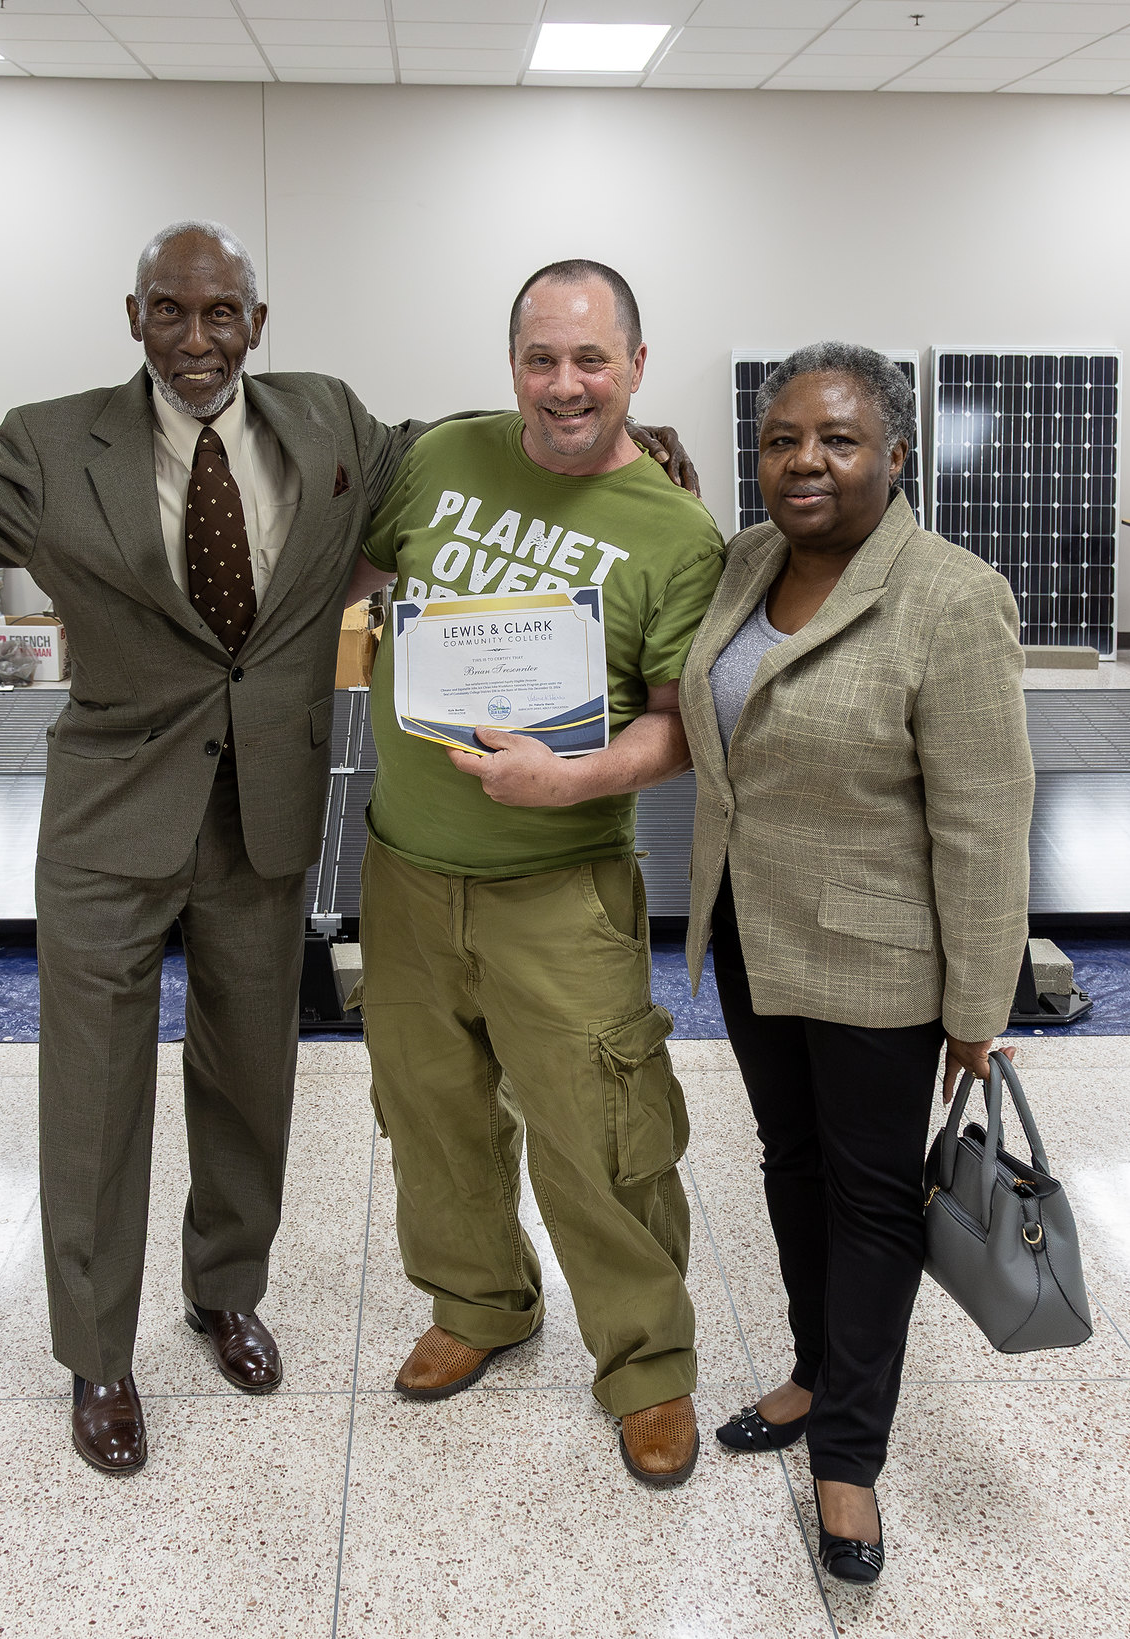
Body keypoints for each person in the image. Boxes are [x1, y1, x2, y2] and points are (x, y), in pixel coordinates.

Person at [0, 222, 699, 1479]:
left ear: (257, 319)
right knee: (103, 1093)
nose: (196, 338)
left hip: (276, 821)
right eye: (170, 313)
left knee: (257, 1080)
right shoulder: (54, 442)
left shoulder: (329, 422)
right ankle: (102, 1357)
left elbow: (505, 459)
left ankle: (229, 1293)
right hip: (122, 822)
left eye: (220, 313)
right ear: (133, 318)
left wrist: (629, 440)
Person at [345, 260, 724, 1490]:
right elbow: (344, 586)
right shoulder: (440, 459)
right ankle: (478, 1304)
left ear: (635, 366)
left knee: (601, 1133)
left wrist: (565, 782)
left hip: (560, 885)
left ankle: (646, 1364)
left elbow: (679, 724)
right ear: (510, 362)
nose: (565, 386)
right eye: (540, 359)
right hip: (403, 873)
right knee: (429, 1114)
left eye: (590, 360)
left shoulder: (674, 533)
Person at [677, 343, 1034, 1583]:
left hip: (883, 955)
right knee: (790, 1163)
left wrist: (978, 1006)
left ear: (895, 453)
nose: (803, 461)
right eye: (781, 439)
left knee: (873, 1199)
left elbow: (984, 819)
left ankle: (848, 1453)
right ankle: (811, 1365)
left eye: (835, 439)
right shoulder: (744, 560)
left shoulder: (950, 595)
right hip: (750, 936)